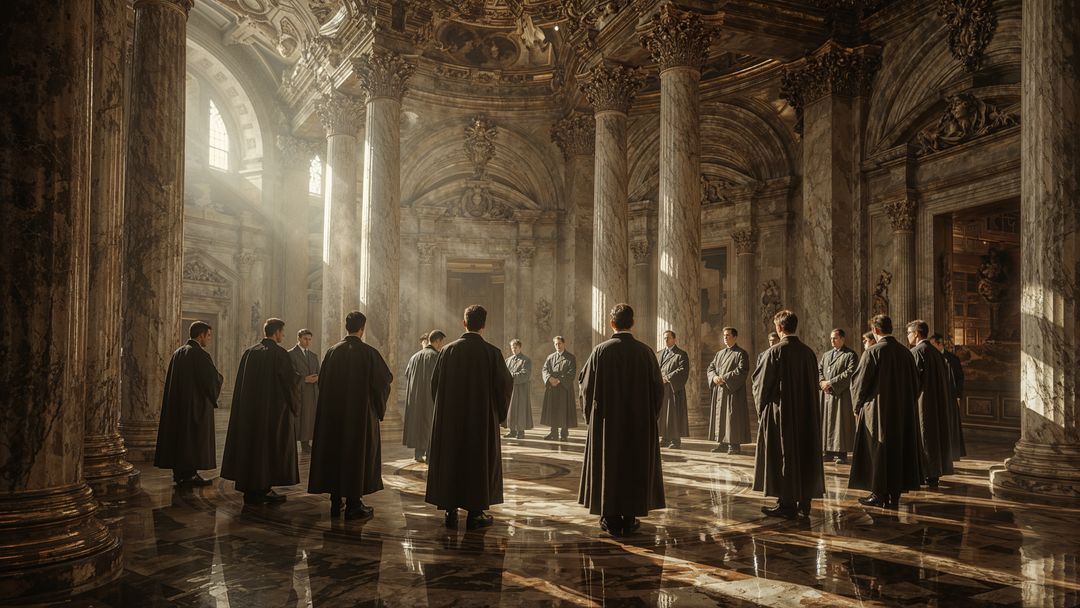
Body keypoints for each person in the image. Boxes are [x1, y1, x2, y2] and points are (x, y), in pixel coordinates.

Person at [578, 304, 665, 536]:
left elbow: (585, 388)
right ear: (632, 323)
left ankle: (609, 516)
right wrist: (649, 417)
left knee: (610, 466)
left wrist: (591, 418)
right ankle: (631, 515)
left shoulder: (600, 351)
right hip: (639, 424)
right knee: (633, 467)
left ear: (611, 323)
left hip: (607, 425)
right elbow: (659, 390)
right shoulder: (646, 352)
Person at [426, 305, 513, 530]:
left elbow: (434, 385)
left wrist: (445, 410)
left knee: (452, 459)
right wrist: (498, 415)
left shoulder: (447, 351)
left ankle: (450, 510)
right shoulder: (492, 353)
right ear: (484, 325)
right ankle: (476, 513)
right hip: (481, 422)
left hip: (451, 420)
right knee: (477, 462)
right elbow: (504, 387)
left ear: (463, 323)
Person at [308, 311, 393, 519]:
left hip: (334, 418)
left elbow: (322, 382)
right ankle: (354, 504)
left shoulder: (332, 352)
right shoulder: (369, 353)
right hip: (359, 419)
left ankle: (336, 503)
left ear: (346, 327)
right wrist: (376, 406)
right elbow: (385, 381)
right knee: (357, 457)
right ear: (362, 329)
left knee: (336, 455)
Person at [752, 310, 825, 519]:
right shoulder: (809, 353)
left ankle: (786, 504)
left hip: (781, 415)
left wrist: (761, 412)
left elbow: (761, 386)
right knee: (804, 454)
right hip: (807, 414)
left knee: (783, 455)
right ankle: (805, 501)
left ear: (779, 327)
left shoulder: (774, 352)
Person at [221, 318, 301, 505]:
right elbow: (289, 383)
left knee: (253, 449)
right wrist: (294, 405)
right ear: (276, 332)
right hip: (272, 414)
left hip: (250, 413)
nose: (284, 335)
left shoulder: (249, 353)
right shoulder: (280, 354)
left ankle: (252, 490)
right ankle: (263, 489)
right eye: (283, 332)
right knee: (268, 450)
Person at [848, 315, 923, 508]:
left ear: (876, 330)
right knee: (897, 450)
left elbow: (860, 383)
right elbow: (916, 384)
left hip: (877, 412)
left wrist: (857, 406)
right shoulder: (906, 353)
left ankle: (878, 493)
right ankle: (895, 494)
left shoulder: (872, 352)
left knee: (878, 450)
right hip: (902, 412)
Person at [154, 321, 224, 487]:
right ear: (200, 336)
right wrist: (221, 379)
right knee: (193, 440)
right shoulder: (200, 354)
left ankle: (181, 474)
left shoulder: (178, 352)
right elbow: (212, 380)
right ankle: (190, 475)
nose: (209, 339)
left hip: (177, 407)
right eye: (208, 336)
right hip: (194, 408)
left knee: (180, 440)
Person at [906, 320, 954, 488]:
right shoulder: (936, 352)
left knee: (924, 436)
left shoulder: (916, 352)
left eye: (909, 333)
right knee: (934, 437)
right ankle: (934, 473)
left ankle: (926, 472)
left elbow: (913, 381)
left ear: (917, 334)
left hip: (922, 402)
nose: (908, 336)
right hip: (938, 402)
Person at [706, 326, 750, 454]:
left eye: (728, 335)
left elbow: (742, 370)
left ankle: (734, 445)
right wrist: (714, 377)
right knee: (721, 416)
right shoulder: (719, 354)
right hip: (720, 389)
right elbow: (710, 368)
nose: (725, 337)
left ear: (735, 337)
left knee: (732, 416)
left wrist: (723, 378)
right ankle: (722, 443)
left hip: (733, 391)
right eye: (724, 335)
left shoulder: (741, 353)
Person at [403, 331, 444, 462]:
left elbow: (407, 375)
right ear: (437, 341)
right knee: (429, 424)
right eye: (441, 342)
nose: (441, 345)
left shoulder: (414, 357)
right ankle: (430, 456)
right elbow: (441, 378)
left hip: (415, 398)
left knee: (419, 424)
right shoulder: (436, 356)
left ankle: (418, 454)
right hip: (430, 397)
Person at [819, 328, 857, 465]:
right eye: (831, 338)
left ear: (842, 339)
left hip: (841, 395)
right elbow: (820, 370)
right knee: (827, 423)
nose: (832, 341)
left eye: (835, 338)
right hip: (827, 394)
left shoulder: (850, 355)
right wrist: (822, 382)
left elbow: (850, 373)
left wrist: (831, 382)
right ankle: (827, 452)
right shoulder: (826, 355)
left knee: (840, 424)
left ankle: (841, 453)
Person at [930, 333, 966, 461]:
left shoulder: (952, 359)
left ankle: (951, 453)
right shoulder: (931, 358)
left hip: (950, 397)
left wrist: (957, 395)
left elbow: (960, 378)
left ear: (940, 344)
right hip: (936, 397)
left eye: (933, 344)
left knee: (951, 425)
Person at [287, 328, 320, 454]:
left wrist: (317, 378)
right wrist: (304, 379)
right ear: (299, 338)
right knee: (297, 418)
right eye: (305, 339)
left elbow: (318, 371)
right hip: (298, 391)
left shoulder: (313, 356)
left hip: (312, 392)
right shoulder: (290, 354)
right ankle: (292, 444)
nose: (307, 342)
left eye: (309, 339)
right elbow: (289, 373)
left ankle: (306, 444)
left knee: (309, 418)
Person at [655, 330, 689, 449]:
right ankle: (664, 438)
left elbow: (683, 370)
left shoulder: (681, 354)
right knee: (663, 413)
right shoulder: (659, 354)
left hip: (673, 389)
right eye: (664, 338)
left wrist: (668, 378)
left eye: (668, 338)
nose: (666, 340)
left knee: (673, 414)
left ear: (674, 339)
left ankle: (675, 440)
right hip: (661, 388)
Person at [540, 336, 577, 441]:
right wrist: (549, 378)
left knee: (563, 410)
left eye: (559, 343)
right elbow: (545, 369)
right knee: (553, 410)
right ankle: (553, 433)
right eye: (556, 344)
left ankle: (564, 434)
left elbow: (571, 373)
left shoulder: (570, 357)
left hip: (564, 389)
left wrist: (559, 380)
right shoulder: (550, 357)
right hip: (552, 388)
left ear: (564, 344)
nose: (558, 346)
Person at [504, 338, 533, 439]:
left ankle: (521, 432)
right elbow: (504, 374)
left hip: (521, 389)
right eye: (512, 347)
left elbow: (525, 374)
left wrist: (510, 376)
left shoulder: (526, 360)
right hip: (510, 389)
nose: (513, 349)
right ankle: (512, 430)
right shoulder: (508, 360)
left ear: (520, 347)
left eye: (515, 347)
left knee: (520, 410)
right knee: (510, 410)